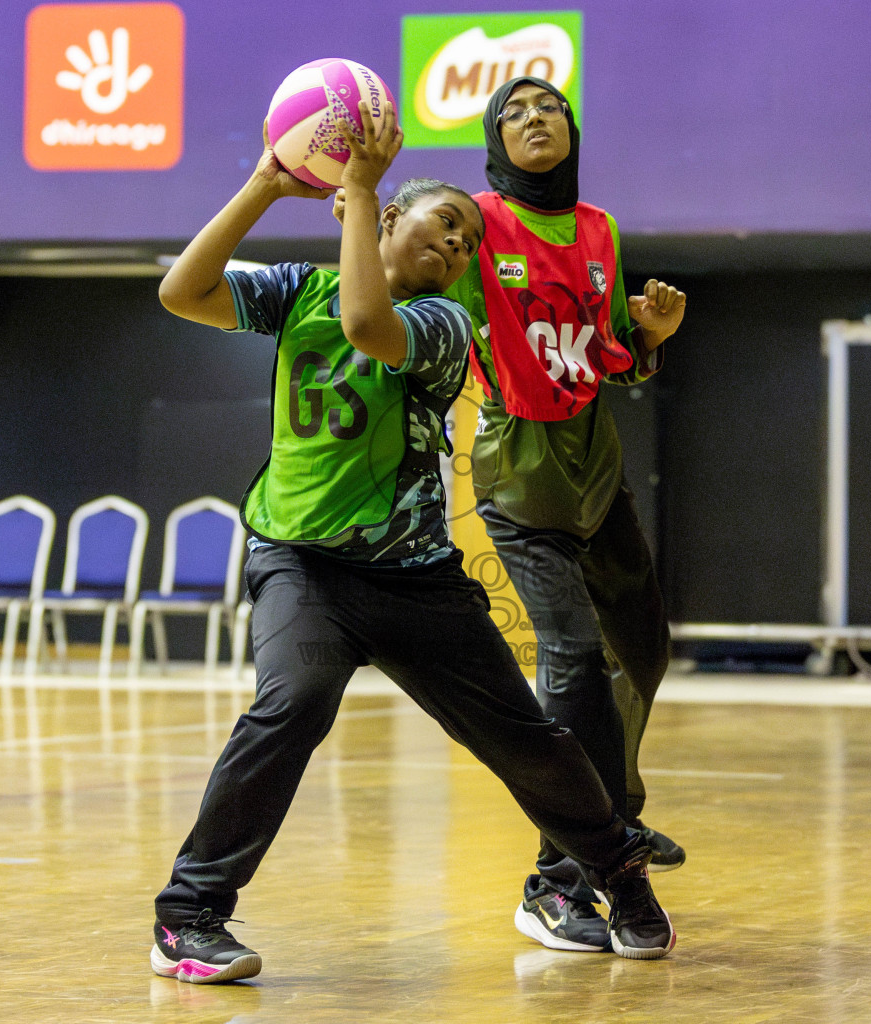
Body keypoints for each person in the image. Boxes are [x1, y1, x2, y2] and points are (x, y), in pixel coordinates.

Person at [150, 102, 675, 984]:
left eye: (468, 242)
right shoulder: (294, 290)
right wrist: (263, 185)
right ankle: (188, 917)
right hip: (302, 565)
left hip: (415, 579)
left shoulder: (445, 327)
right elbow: (181, 291)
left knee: (525, 739)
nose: (459, 248)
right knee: (290, 708)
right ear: (390, 221)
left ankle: (615, 876)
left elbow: (367, 325)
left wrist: (357, 189)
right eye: (446, 225)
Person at [442, 77, 688, 952]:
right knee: (574, 660)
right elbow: (413, 284)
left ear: (572, 131)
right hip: (520, 472)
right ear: (491, 140)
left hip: (598, 469)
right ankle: (563, 876)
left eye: (548, 107)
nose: (533, 118)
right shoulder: (473, 222)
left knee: (642, 652)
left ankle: (611, 820)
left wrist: (648, 334)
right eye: (511, 111)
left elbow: (612, 358)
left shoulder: (599, 229)